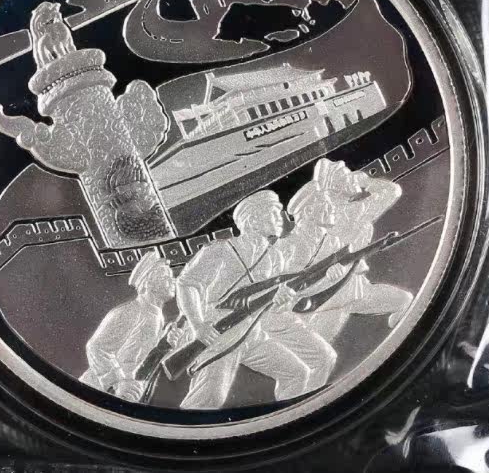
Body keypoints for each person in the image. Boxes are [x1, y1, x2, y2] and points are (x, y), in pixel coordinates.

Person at [176, 189, 337, 409]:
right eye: (273, 213)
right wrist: (198, 325)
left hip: (252, 332)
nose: (281, 218)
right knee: (211, 398)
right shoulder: (220, 250)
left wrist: (285, 300)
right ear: (253, 221)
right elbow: (186, 284)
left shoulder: (275, 257)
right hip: (218, 333)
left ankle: (284, 421)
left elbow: (273, 306)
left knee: (297, 373)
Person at [278, 158, 413, 348]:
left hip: (353, 285)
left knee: (404, 300)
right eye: (345, 176)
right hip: (331, 295)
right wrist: (364, 181)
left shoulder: (342, 210)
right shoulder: (345, 212)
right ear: (335, 184)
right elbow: (391, 191)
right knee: (318, 351)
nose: (351, 177)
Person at [79, 251, 182, 402]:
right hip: (93, 393)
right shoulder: (133, 311)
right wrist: (118, 382)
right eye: (166, 277)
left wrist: (164, 345)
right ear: (148, 283)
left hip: (125, 395)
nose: (173, 281)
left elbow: (137, 356)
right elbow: (96, 347)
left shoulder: (156, 316)